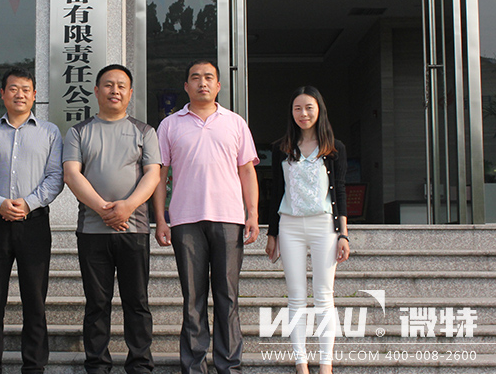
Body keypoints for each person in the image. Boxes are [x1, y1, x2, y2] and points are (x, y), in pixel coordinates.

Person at [153, 60, 260, 374]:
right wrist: (160, 218)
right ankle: (194, 367)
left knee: (227, 296)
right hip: (185, 221)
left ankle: (229, 366)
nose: (203, 83)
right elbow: (160, 175)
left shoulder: (235, 123)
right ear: (186, 86)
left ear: (218, 86)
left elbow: (247, 171)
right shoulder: (169, 125)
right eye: (196, 78)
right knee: (192, 298)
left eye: (209, 78)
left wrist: (252, 213)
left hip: (228, 218)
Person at [63, 64, 161, 374]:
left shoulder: (145, 131)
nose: (114, 90)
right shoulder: (79, 131)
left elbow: (153, 175)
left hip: (134, 230)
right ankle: (97, 365)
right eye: (108, 85)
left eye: (121, 86)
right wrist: (104, 209)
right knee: (96, 303)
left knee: (137, 302)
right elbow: (71, 174)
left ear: (130, 93)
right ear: (96, 91)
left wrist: (127, 207)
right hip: (92, 231)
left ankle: (140, 364)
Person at [0, 67, 64, 374]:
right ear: (2, 94)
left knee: (34, 299)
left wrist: (28, 203)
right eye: (13, 89)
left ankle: (34, 367)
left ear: (34, 95)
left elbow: (55, 177)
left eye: (25, 89)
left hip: (34, 224)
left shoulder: (50, 132)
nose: (19, 94)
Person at [264, 86, 349, 374]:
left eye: (309, 107)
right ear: (291, 112)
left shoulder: (334, 148)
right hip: (290, 225)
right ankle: (301, 363)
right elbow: (276, 193)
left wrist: (343, 234)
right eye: (298, 108)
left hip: (324, 225)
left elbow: (340, 192)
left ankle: (325, 364)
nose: (303, 114)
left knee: (324, 295)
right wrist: (272, 234)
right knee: (296, 296)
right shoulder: (282, 148)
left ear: (319, 110)